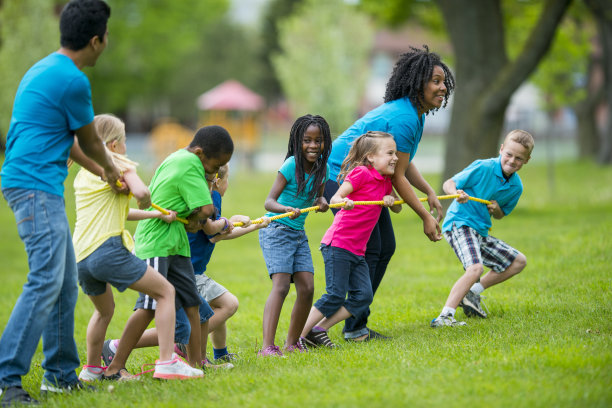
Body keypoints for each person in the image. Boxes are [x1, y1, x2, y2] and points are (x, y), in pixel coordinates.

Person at [0, 0, 123, 404]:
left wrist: (102, 169)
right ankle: (7, 378)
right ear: (96, 40)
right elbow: (90, 141)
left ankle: (60, 373)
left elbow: (69, 142)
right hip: (34, 185)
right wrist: (111, 168)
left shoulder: (44, 68)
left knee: (66, 282)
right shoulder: (73, 80)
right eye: (106, 35)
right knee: (46, 279)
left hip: (32, 182)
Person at [324, 45, 455, 341]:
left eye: (443, 81)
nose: (442, 87)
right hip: (340, 178)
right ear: (417, 83)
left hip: (365, 179)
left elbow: (402, 163)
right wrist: (424, 216)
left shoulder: (415, 115)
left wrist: (429, 192)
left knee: (383, 247)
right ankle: (350, 325)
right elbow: (397, 177)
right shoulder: (405, 117)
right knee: (370, 249)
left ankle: (355, 321)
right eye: (435, 81)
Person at [73, 114, 207, 381]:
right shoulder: (117, 162)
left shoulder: (84, 172)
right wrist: (140, 194)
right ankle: (168, 362)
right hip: (107, 250)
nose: (125, 148)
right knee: (166, 292)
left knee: (104, 310)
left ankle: (91, 371)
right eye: (123, 143)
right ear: (112, 145)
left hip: (80, 256)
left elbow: (122, 213)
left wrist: (156, 215)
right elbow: (143, 194)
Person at [104, 164, 270, 368]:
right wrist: (250, 224)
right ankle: (124, 348)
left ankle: (209, 357)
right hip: (187, 269)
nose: (227, 186)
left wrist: (236, 222)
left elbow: (215, 229)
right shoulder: (211, 196)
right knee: (222, 307)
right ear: (217, 181)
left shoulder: (200, 193)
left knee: (204, 313)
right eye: (227, 181)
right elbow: (215, 236)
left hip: (184, 266)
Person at [102, 125, 234, 378]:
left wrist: (196, 216)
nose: (216, 172)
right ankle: (114, 366)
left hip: (177, 243)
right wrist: (204, 217)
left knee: (193, 303)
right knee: (149, 307)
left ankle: (197, 364)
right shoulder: (188, 163)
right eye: (216, 165)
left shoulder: (183, 158)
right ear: (199, 152)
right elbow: (207, 210)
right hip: (158, 242)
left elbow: (197, 211)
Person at [301, 132, 402, 348]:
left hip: (357, 250)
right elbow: (336, 197)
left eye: (395, 153)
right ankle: (300, 336)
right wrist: (342, 201)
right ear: (371, 157)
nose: (395, 158)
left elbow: (398, 207)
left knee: (363, 296)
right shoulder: (361, 173)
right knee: (335, 294)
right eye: (390, 153)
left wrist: (390, 200)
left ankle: (318, 330)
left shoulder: (385, 181)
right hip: (338, 245)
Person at [430, 130, 534, 327]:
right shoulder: (483, 166)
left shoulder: (516, 187)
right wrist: (456, 192)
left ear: (527, 160)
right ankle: (444, 317)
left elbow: (501, 214)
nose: (512, 161)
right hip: (460, 223)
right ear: (501, 149)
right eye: (509, 154)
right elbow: (448, 183)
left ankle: (472, 293)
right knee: (475, 268)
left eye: (519, 158)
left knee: (519, 261)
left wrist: (497, 209)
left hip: (480, 231)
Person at [258, 114, 332, 356]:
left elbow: (318, 196)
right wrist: (285, 209)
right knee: (280, 287)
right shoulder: (291, 165)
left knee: (307, 287)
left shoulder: (324, 168)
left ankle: (292, 343)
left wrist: (322, 201)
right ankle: (267, 346)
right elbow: (269, 201)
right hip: (278, 230)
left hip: (298, 233)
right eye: (307, 140)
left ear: (325, 142)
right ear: (297, 141)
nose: (312, 146)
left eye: (318, 141)